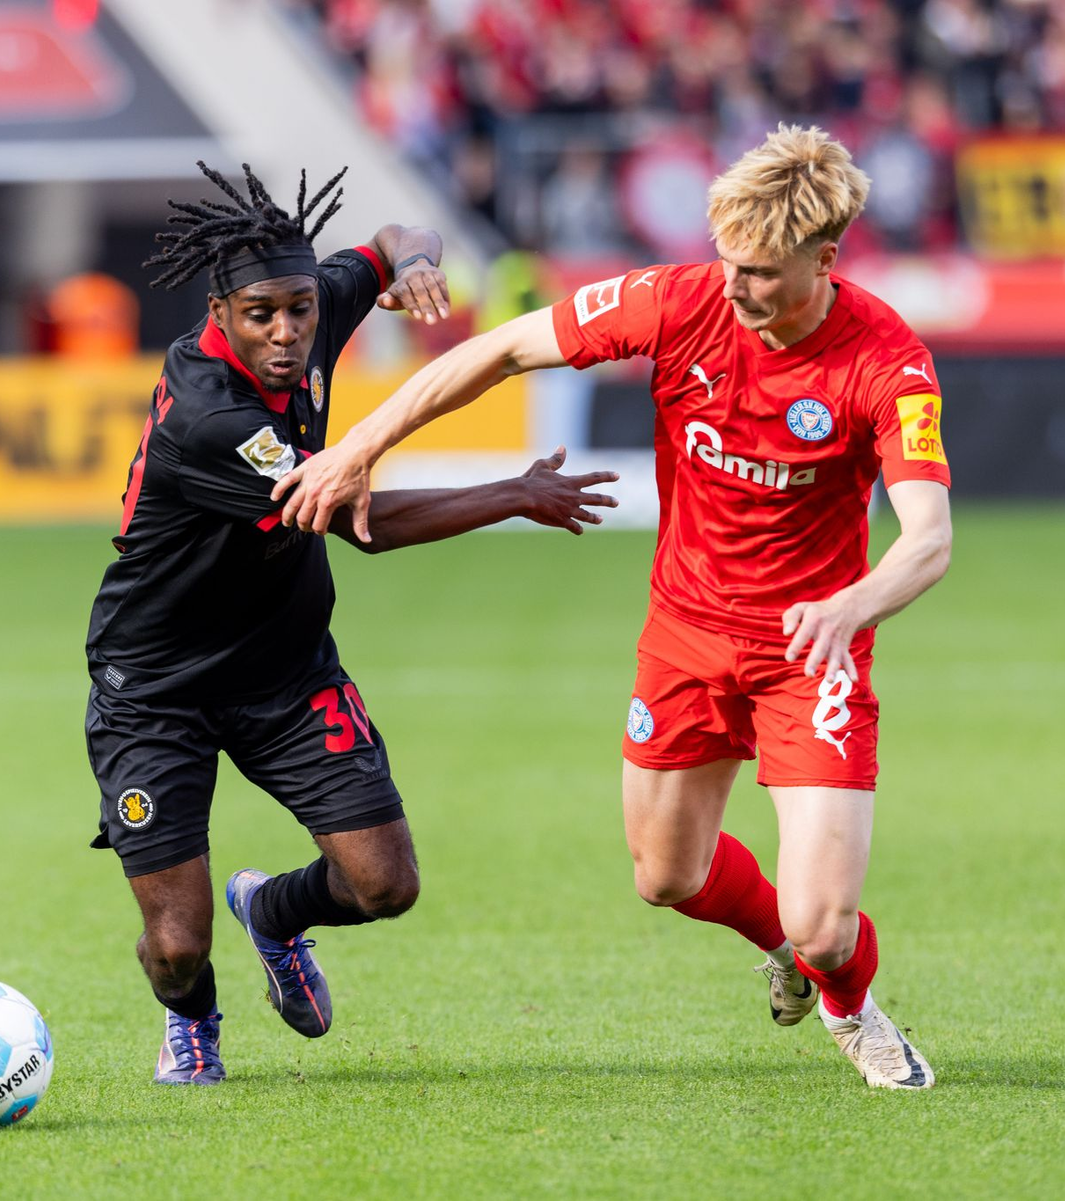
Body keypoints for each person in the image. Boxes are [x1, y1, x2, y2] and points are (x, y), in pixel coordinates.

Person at [272, 126, 952, 1090]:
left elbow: (928, 537)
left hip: (812, 651)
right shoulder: (679, 299)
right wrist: (358, 449)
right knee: (665, 875)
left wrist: (852, 606)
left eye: (760, 272)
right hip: (686, 634)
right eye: (726, 259)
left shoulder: (887, 360)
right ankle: (787, 952)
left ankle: (851, 1008)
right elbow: (504, 348)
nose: (733, 285)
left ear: (824, 260)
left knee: (826, 927)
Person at [84, 162, 618, 1086]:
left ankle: (273, 913)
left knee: (386, 884)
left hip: (285, 671)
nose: (287, 332)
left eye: (299, 309)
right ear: (220, 311)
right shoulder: (210, 418)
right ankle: (192, 1019)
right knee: (175, 943)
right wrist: (515, 492)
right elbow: (361, 524)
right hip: (156, 690)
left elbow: (398, 237)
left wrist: (414, 263)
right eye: (261, 315)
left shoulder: (313, 302)